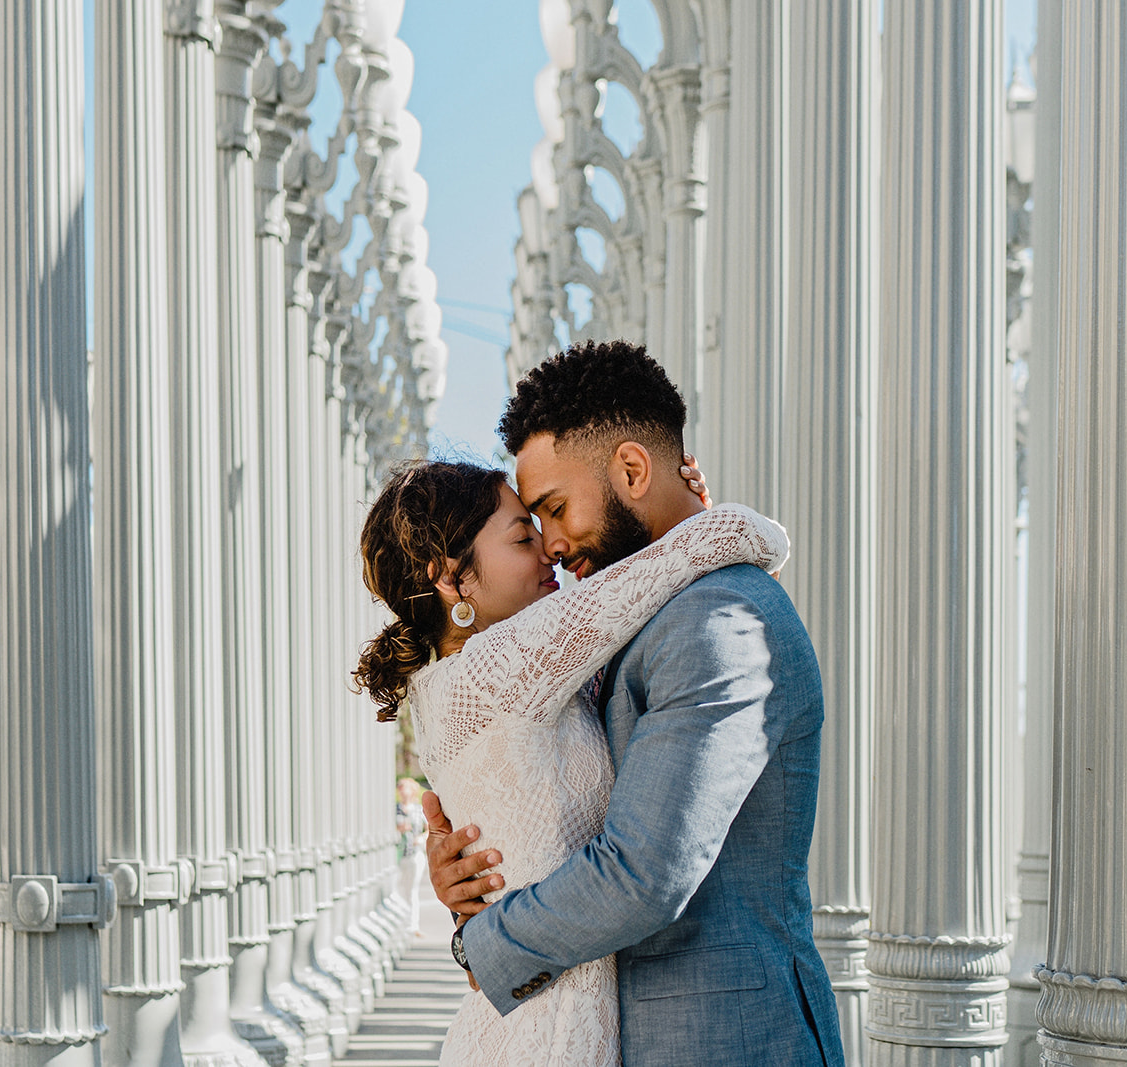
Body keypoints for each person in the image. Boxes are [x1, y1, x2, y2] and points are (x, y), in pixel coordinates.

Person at [424, 339, 847, 1067]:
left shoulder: (719, 622)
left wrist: (483, 941)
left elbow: (643, 873)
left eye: (553, 510)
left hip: (728, 1043)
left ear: (630, 469)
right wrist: (475, 860)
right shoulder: (649, 619)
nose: (551, 546)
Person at [354, 452, 787, 1066]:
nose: (549, 551)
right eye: (524, 536)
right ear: (451, 578)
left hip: (536, 1015)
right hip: (551, 1033)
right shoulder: (502, 667)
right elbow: (738, 538)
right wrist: (691, 518)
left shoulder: (458, 684)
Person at [395, 777, 428, 936]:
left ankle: (413, 924)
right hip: (399, 854)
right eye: (400, 788)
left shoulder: (419, 810)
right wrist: (398, 829)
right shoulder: (394, 809)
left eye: (405, 788)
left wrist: (420, 839)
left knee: (412, 889)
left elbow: (429, 830)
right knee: (399, 889)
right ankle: (401, 923)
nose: (402, 791)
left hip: (415, 853)